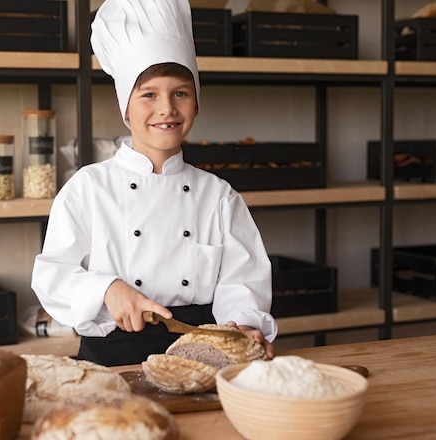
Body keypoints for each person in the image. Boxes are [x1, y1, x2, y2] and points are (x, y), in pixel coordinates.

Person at [31, 0, 277, 367]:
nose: (167, 108)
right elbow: (52, 276)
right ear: (125, 108)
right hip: (111, 362)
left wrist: (243, 324)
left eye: (181, 93)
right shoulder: (88, 189)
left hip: (201, 358)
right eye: (149, 94)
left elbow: (243, 281)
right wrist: (106, 289)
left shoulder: (219, 197)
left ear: (196, 105)